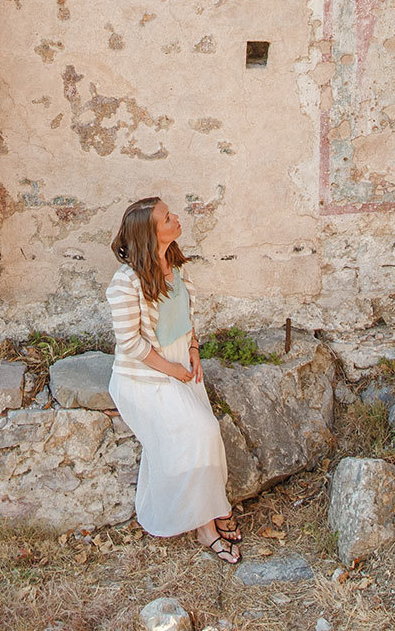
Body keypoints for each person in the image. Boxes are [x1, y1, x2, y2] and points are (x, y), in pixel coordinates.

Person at [106, 196, 239, 561]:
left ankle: (214, 512)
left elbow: (186, 320)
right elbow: (131, 344)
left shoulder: (176, 267)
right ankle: (207, 527)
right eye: (168, 217)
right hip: (146, 379)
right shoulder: (125, 284)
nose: (176, 218)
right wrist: (175, 371)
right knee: (202, 434)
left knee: (204, 437)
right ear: (151, 233)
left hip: (182, 366)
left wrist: (193, 351)